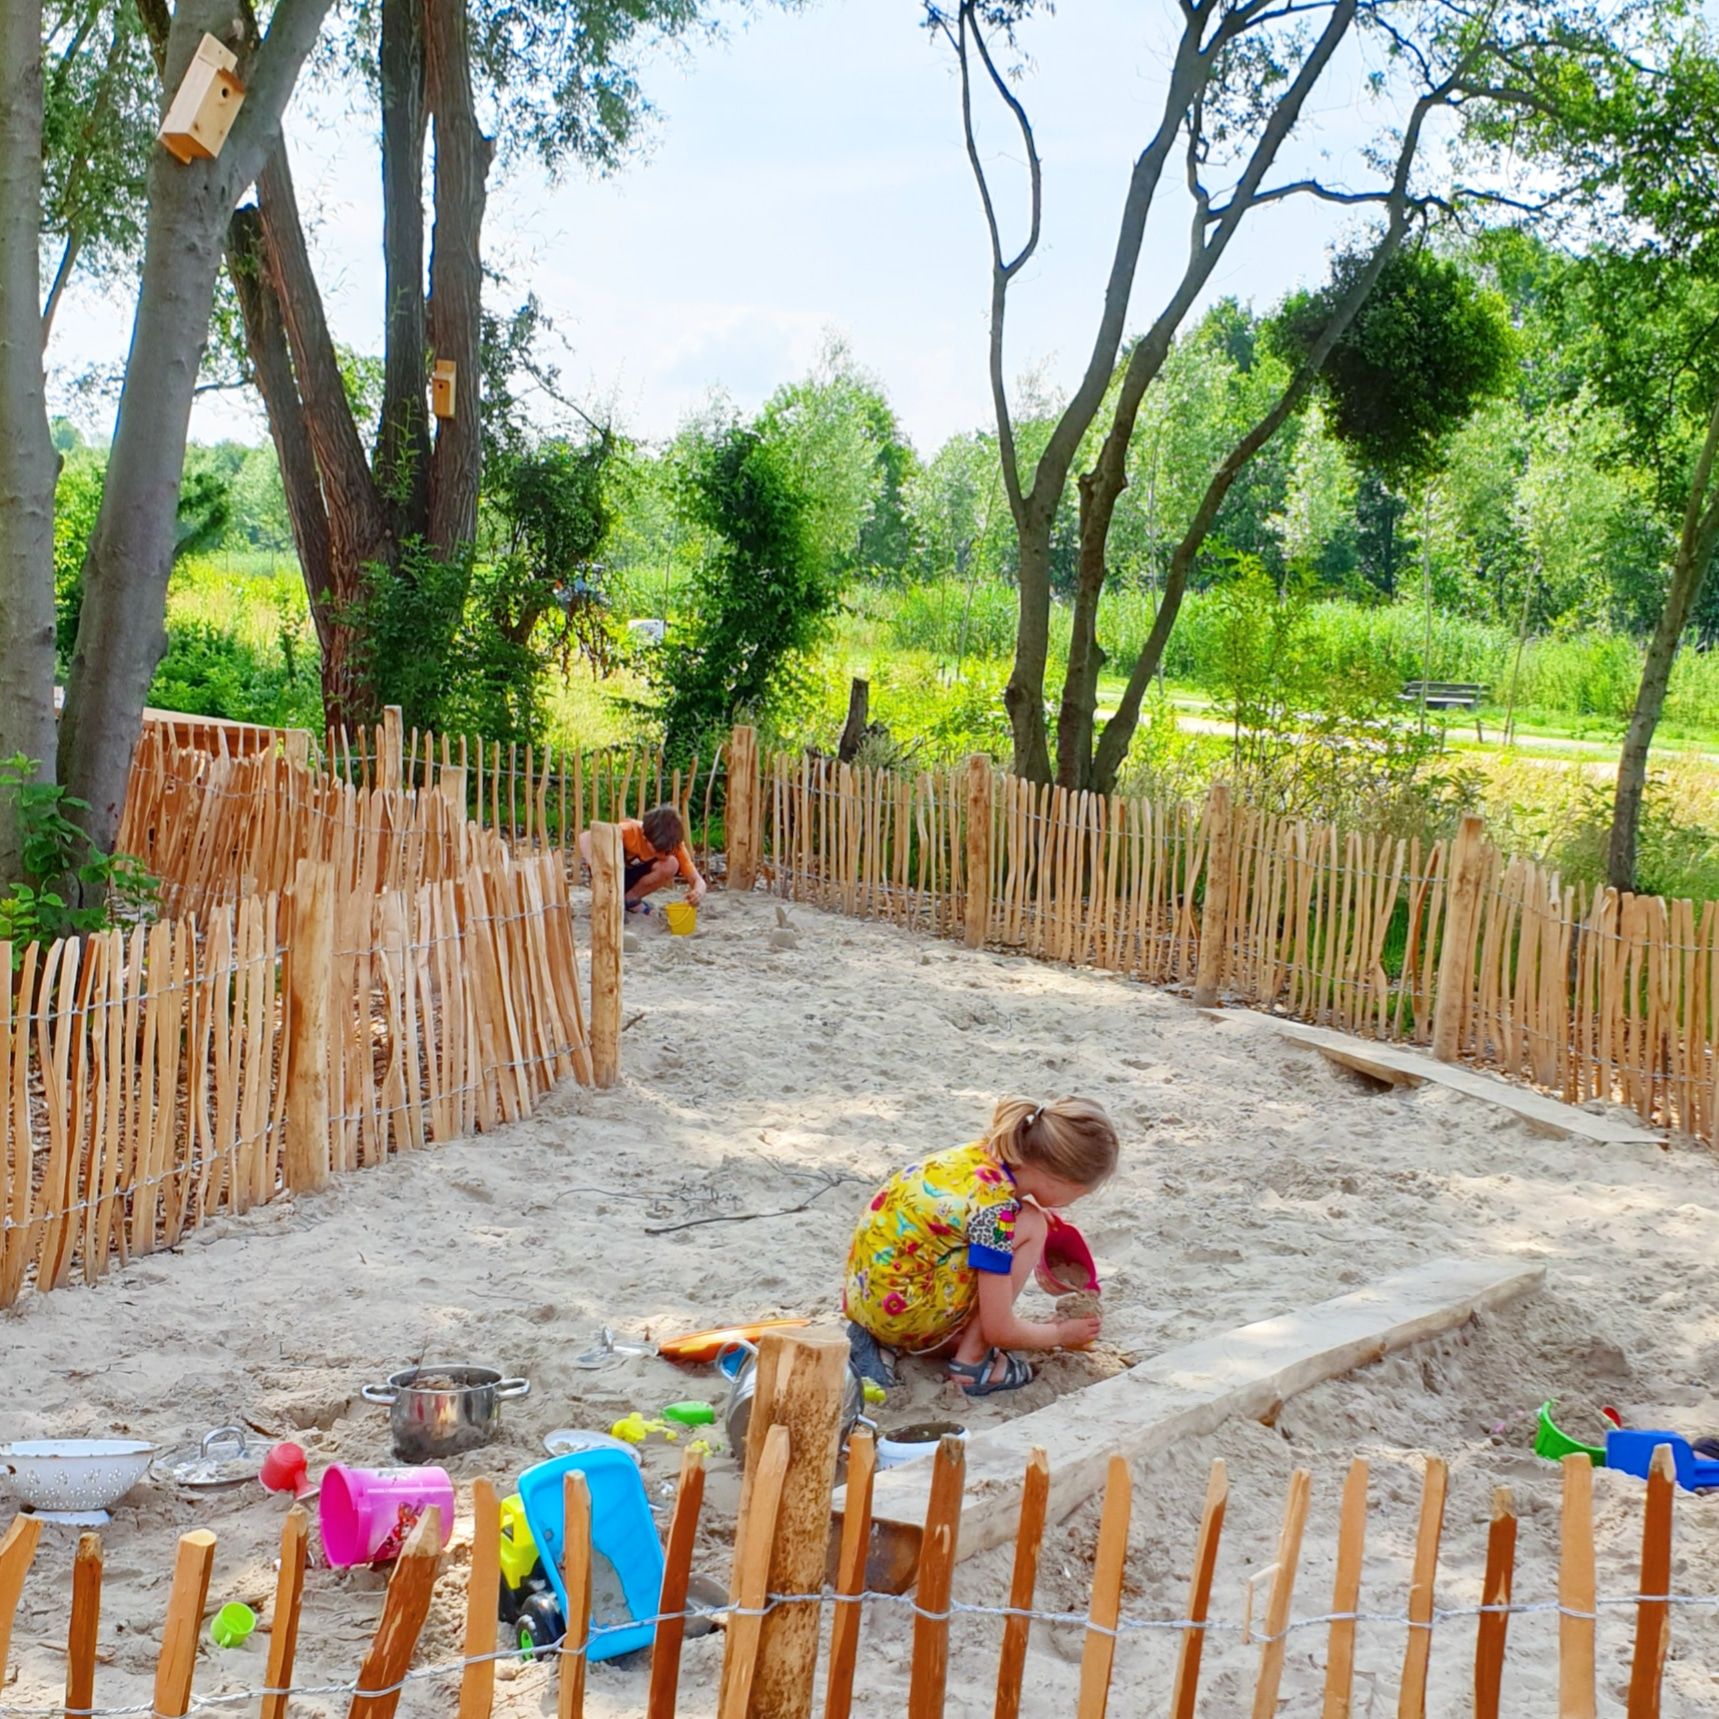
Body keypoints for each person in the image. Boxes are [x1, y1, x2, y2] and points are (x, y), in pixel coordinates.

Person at [842, 1096, 1117, 1397]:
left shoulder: (981, 1155)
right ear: (1063, 1179)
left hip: (866, 1298)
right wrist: (1059, 1334)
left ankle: (881, 1342)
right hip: (903, 1315)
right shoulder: (996, 1214)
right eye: (1077, 1195)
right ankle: (974, 1364)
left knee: (1024, 1221)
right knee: (1033, 1225)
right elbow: (999, 1329)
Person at [579, 804, 708, 915]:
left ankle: (630, 900)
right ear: (645, 837)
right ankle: (610, 903)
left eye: (668, 851)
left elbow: (697, 880)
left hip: (634, 876)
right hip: (610, 875)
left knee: (671, 864)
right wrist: (596, 866)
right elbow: (585, 837)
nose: (664, 854)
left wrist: (698, 893)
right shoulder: (630, 831)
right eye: (658, 850)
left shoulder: (674, 844)